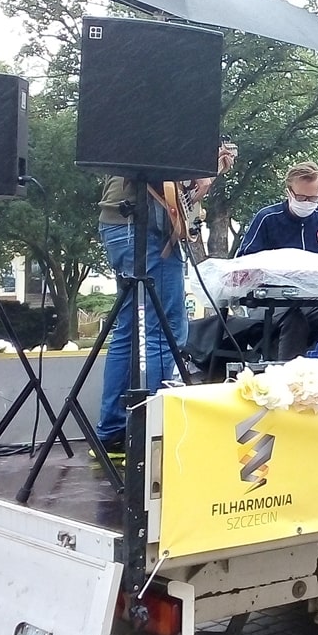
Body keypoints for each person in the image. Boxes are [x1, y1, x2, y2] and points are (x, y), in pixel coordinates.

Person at [94, 142, 236, 458]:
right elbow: (163, 169)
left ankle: (115, 430)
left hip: (124, 224)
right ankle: (150, 431)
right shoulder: (167, 130)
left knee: (130, 330)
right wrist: (203, 170)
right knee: (165, 329)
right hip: (143, 227)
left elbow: (170, 186)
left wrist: (201, 177)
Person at [235, 161, 318, 359]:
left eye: (313, 198)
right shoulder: (267, 219)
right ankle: (290, 372)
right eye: (301, 198)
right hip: (272, 304)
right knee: (294, 320)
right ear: (288, 192)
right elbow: (245, 261)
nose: (307, 203)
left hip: (314, 301)